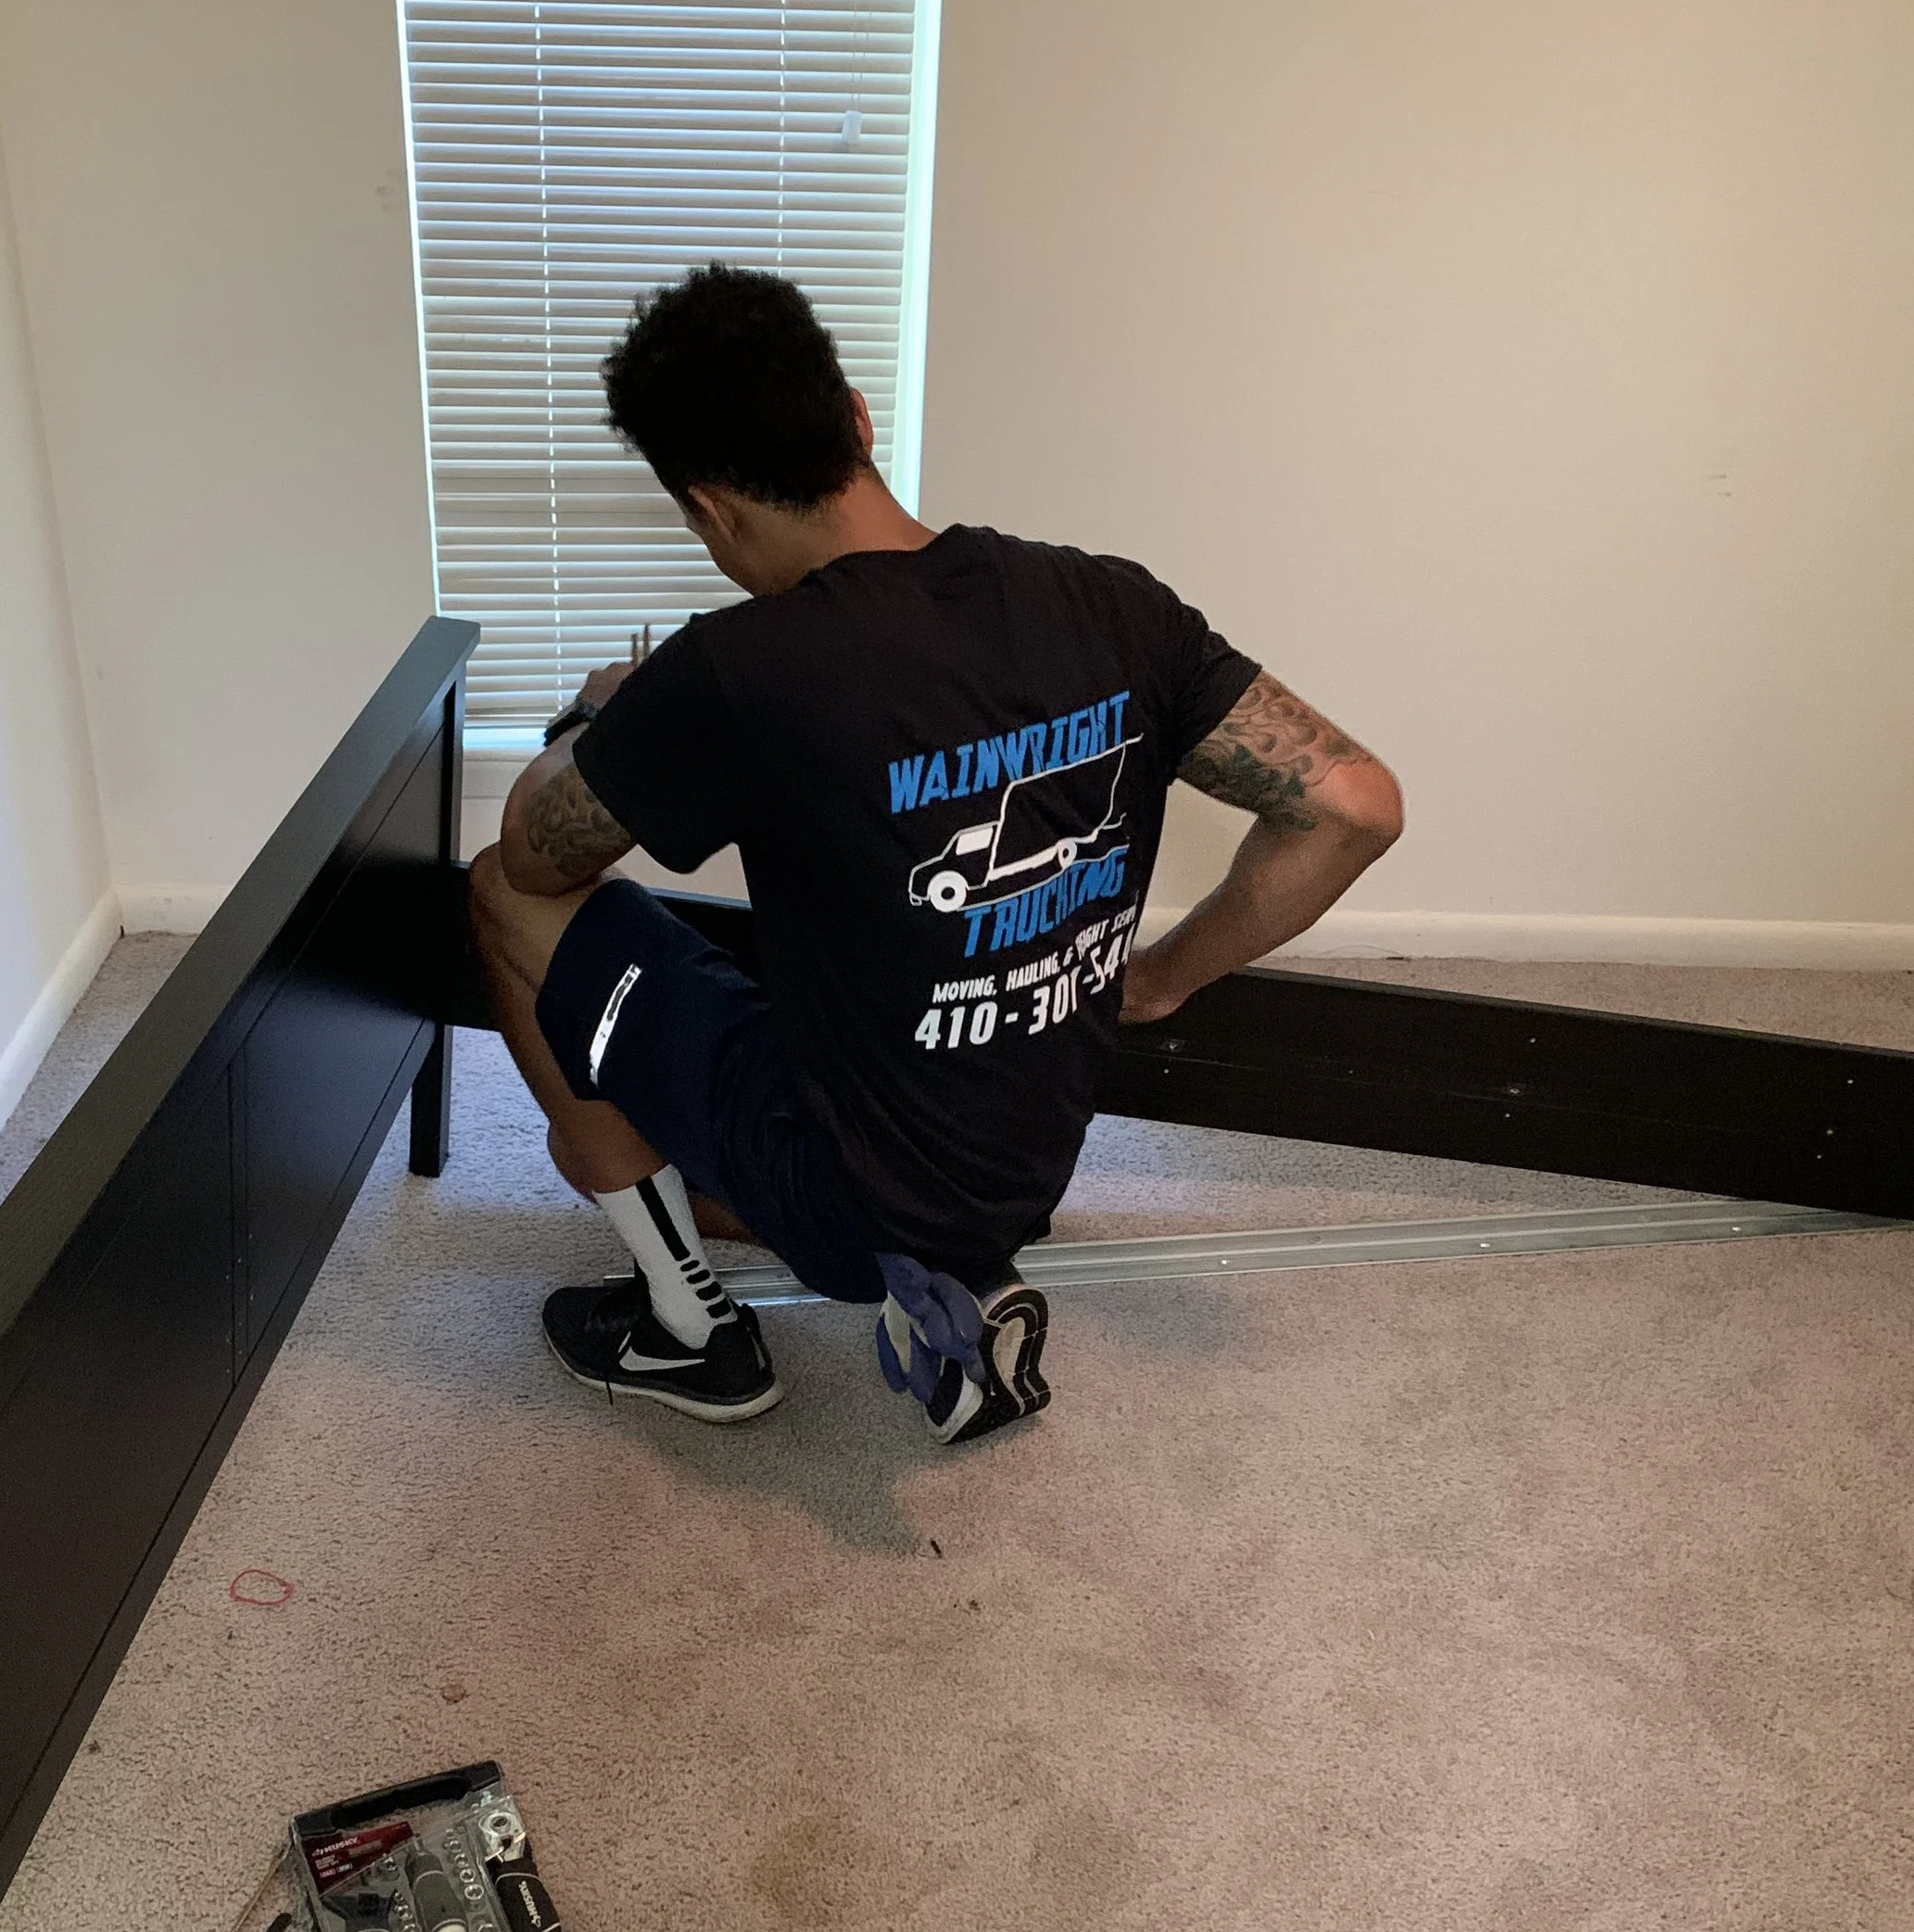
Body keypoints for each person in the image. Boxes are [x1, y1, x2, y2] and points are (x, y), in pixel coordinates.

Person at [469, 265, 1403, 1443]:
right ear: (856, 417)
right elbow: (1354, 804)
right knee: (781, 991)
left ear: (706, 507)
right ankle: (944, 1277)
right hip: (1029, 1160)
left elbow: (534, 856)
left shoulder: (733, 670)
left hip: (843, 1192)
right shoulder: (1112, 602)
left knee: (498, 901)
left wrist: (606, 718)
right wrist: (1158, 980)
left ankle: (689, 1331)